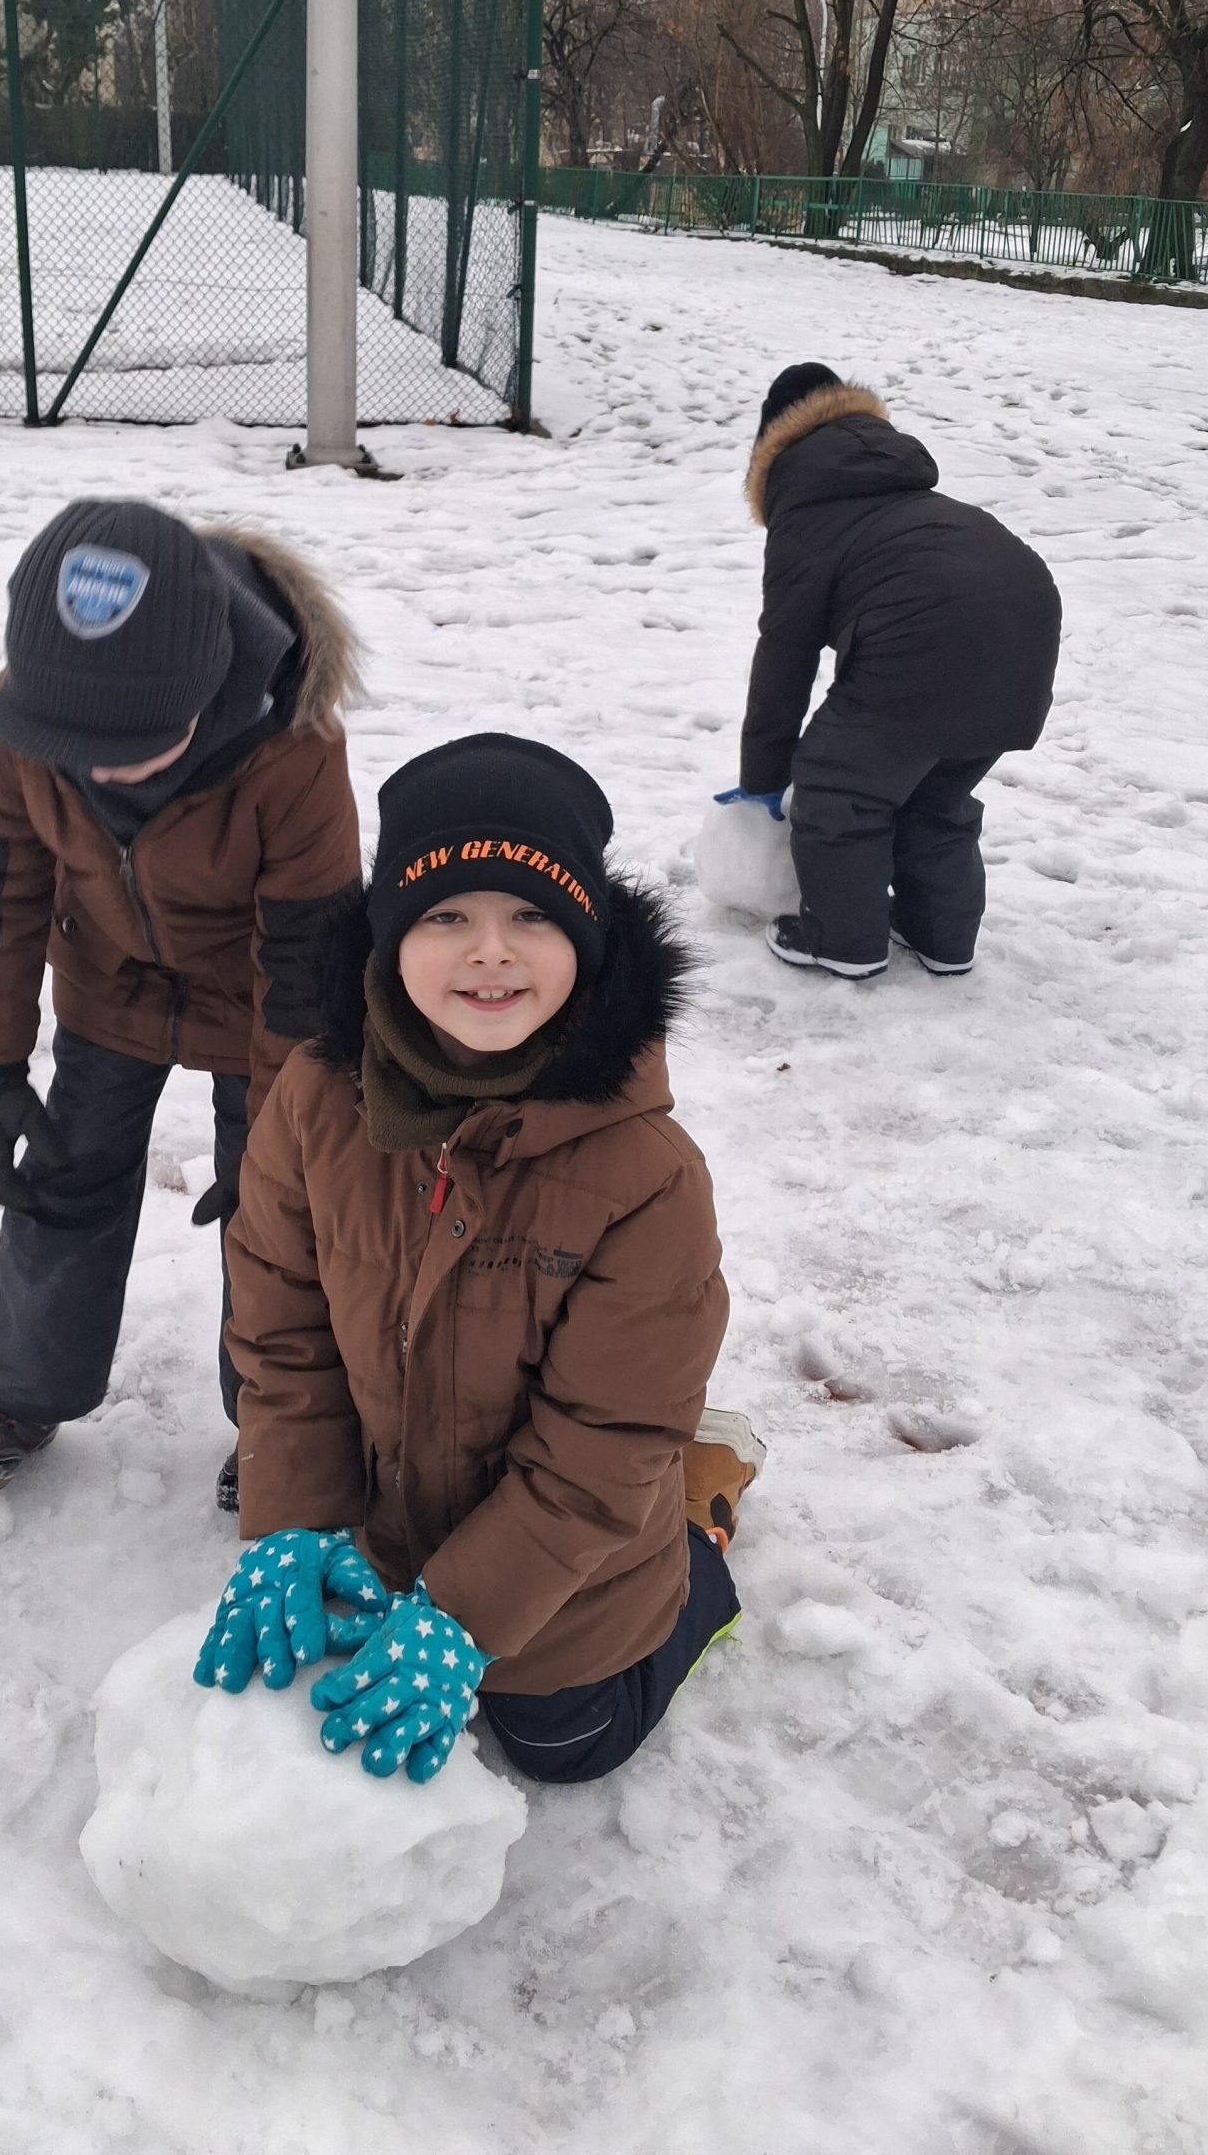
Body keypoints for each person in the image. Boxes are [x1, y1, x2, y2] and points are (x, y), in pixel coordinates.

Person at [194, 734, 768, 1787]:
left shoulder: (647, 1175)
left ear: (587, 939)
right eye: (446, 916)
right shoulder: (315, 1103)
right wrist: (299, 1520)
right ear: (387, 937)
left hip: (579, 1544)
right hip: (387, 1520)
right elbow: (285, 1336)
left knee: (561, 1745)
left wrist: (463, 1613)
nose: (490, 951)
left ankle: (700, 1526)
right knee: (314, 1697)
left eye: (532, 916)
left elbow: (604, 1442)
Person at [0, 498, 363, 1507]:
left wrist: (286, 1135)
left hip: (259, 994)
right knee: (61, 1175)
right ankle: (21, 1393)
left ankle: (279, 1418)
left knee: (276, 1212)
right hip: (108, 980)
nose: (96, 770)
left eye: (131, 745)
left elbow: (309, 959)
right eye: (73, 747)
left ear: (204, 688)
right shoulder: (23, 720)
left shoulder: (293, 747)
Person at [728, 361, 1061, 979]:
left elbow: (785, 655)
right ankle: (940, 937)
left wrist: (763, 781)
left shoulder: (805, 510)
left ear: (769, 449)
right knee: (935, 792)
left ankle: (842, 941)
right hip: (1026, 628)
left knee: (837, 784)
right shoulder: (897, 491)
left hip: (930, 635)